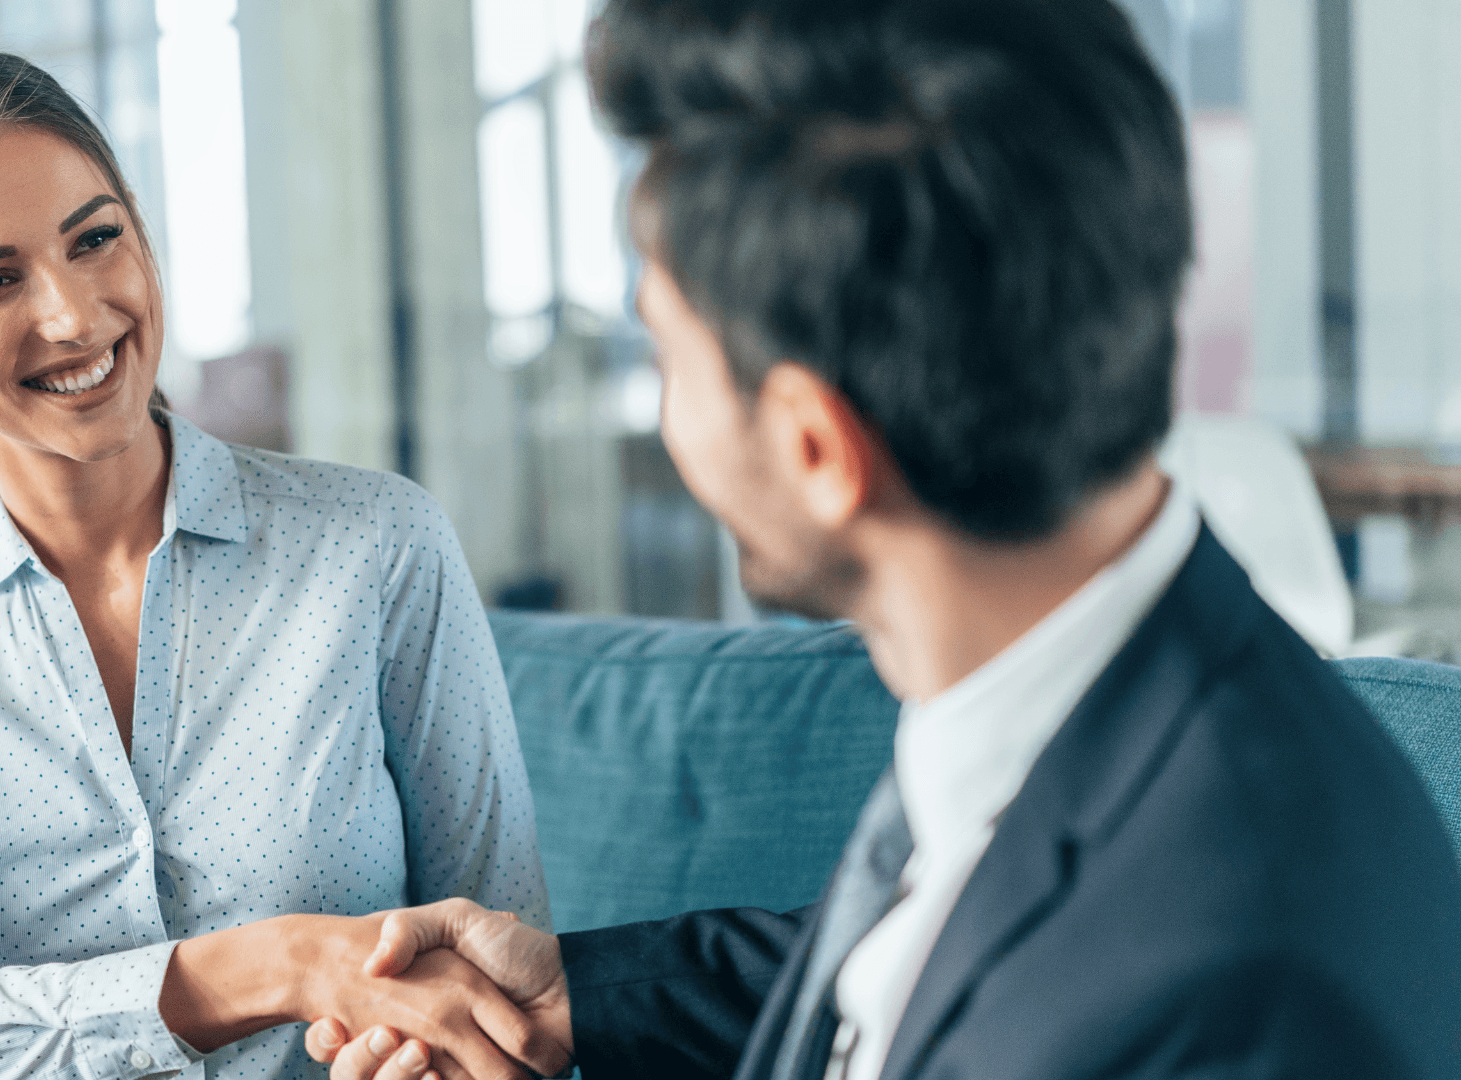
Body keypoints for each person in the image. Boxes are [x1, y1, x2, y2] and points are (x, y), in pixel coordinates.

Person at [309, 1, 1461, 1078]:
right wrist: (578, 996)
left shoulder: (1231, 989)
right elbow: (957, 941)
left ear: (818, 449)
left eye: (667, 356)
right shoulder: (1068, 702)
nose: (667, 420)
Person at [0, 52, 567, 1080]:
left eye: (96, 239)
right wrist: (271, 965)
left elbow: (512, 984)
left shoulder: (378, 544)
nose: (72, 316)